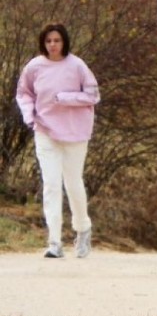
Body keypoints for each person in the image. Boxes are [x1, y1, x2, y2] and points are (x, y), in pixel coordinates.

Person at [16, 23, 100, 259]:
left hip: (75, 132)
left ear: (64, 42)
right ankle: (54, 242)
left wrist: (65, 98)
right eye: (49, 41)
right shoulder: (34, 66)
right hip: (45, 131)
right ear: (43, 43)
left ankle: (82, 229)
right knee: (51, 185)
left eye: (57, 41)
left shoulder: (76, 65)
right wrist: (29, 115)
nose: (53, 45)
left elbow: (93, 95)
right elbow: (24, 93)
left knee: (73, 183)